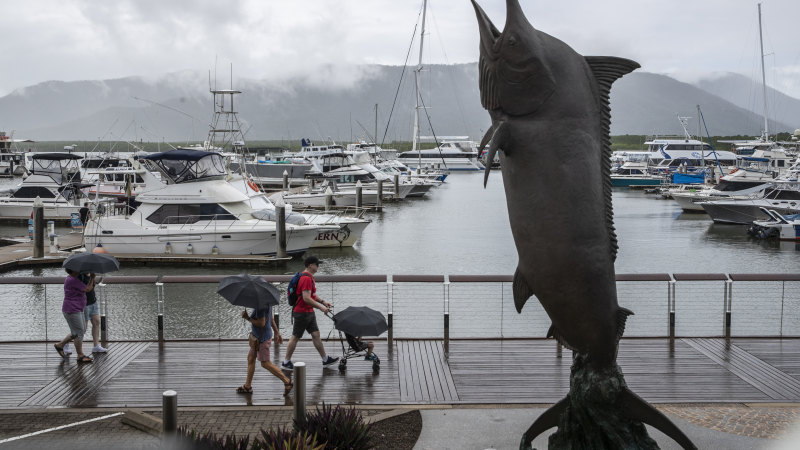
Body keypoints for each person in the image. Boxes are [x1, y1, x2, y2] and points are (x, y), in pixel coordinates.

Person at [281, 256, 340, 370]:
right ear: (310, 265)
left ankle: (325, 359)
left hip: (308, 312)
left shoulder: (309, 277)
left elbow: (311, 295)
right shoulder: (306, 278)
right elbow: (306, 298)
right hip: (302, 313)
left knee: (315, 334)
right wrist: (322, 309)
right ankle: (286, 362)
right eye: (316, 264)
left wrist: (323, 302)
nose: (318, 266)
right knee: (295, 337)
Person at [237, 304, 293, 396]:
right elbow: (271, 318)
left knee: (265, 363)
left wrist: (247, 318)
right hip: (256, 337)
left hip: (262, 339)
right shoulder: (266, 300)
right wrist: (277, 333)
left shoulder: (260, 305)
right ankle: (247, 386)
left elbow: (261, 323)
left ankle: (287, 382)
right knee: (250, 358)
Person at [53, 269, 95, 363]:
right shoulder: (72, 280)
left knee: (80, 331)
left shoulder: (75, 278)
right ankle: (80, 355)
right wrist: (92, 278)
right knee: (79, 332)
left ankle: (60, 345)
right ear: (74, 270)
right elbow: (87, 289)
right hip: (72, 309)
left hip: (77, 308)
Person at [65, 272, 106, 355]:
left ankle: (96, 346)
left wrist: (93, 278)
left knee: (96, 322)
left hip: (93, 302)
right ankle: (65, 342)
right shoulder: (79, 276)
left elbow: (92, 286)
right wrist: (92, 278)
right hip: (84, 304)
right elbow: (87, 289)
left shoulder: (90, 275)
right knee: (82, 328)